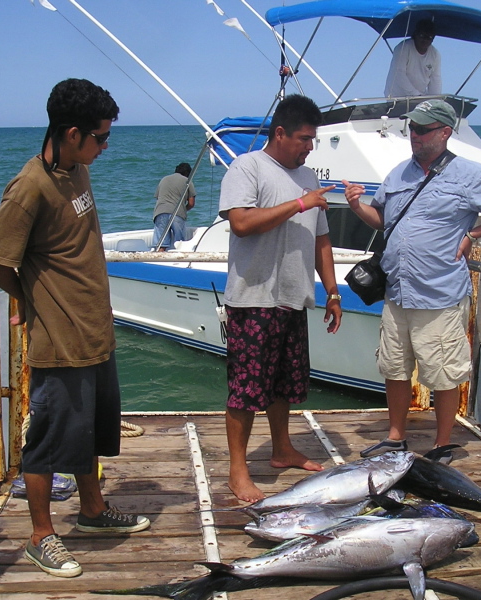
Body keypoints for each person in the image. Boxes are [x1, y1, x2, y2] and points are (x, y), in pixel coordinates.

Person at [0, 78, 150, 578]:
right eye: (100, 137)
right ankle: (41, 536)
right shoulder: (31, 186)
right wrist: (30, 299)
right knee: (49, 441)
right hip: (61, 339)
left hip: (95, 331)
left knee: (89, 432)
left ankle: (93, 512)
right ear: (72, 133)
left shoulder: (76, 170)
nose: (105, 146)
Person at [343, 99, 481, 464]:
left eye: (423, 129)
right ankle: (396, 437)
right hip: (396, 293)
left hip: (440, 295)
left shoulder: (470, 174)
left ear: (445, 133)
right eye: (412, 128)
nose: (415, 134)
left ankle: (441, 444)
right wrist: (354, 206)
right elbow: (381, 220)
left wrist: (474, 234)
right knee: (394, 368)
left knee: (444, 374)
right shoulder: (398, 174)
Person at [218, 94, 343, 503]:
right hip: (253, 297)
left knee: (284, 385)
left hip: (293, 297)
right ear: (280, 133)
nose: (309, 147)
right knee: (246, 390)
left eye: (314, 140)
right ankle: (238, 471)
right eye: (304, 139)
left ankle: (281, 449)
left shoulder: (308, 177)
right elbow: (240, 223)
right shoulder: (247, 166)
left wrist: (332, 291)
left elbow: (321, 238)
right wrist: (299, 203)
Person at [384, 19, 442, 98]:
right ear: (415, 34)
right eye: (422, 35)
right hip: (396, 98)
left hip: (419, 99)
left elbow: (436, 79)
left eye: (429, 37)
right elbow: (399, 75)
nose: (425, 40)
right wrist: (416, 95)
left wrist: (435, 100)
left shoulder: (435, 54)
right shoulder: (403, 48)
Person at [152, 162, 196, 250]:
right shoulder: (188, 181)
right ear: (188, 174)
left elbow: (158, 197)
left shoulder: (164, 179)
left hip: (160, 212)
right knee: (180, 244)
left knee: (161, 245)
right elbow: (191, 203)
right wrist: (183, 209)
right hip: (177, 214)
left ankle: (159, 260)